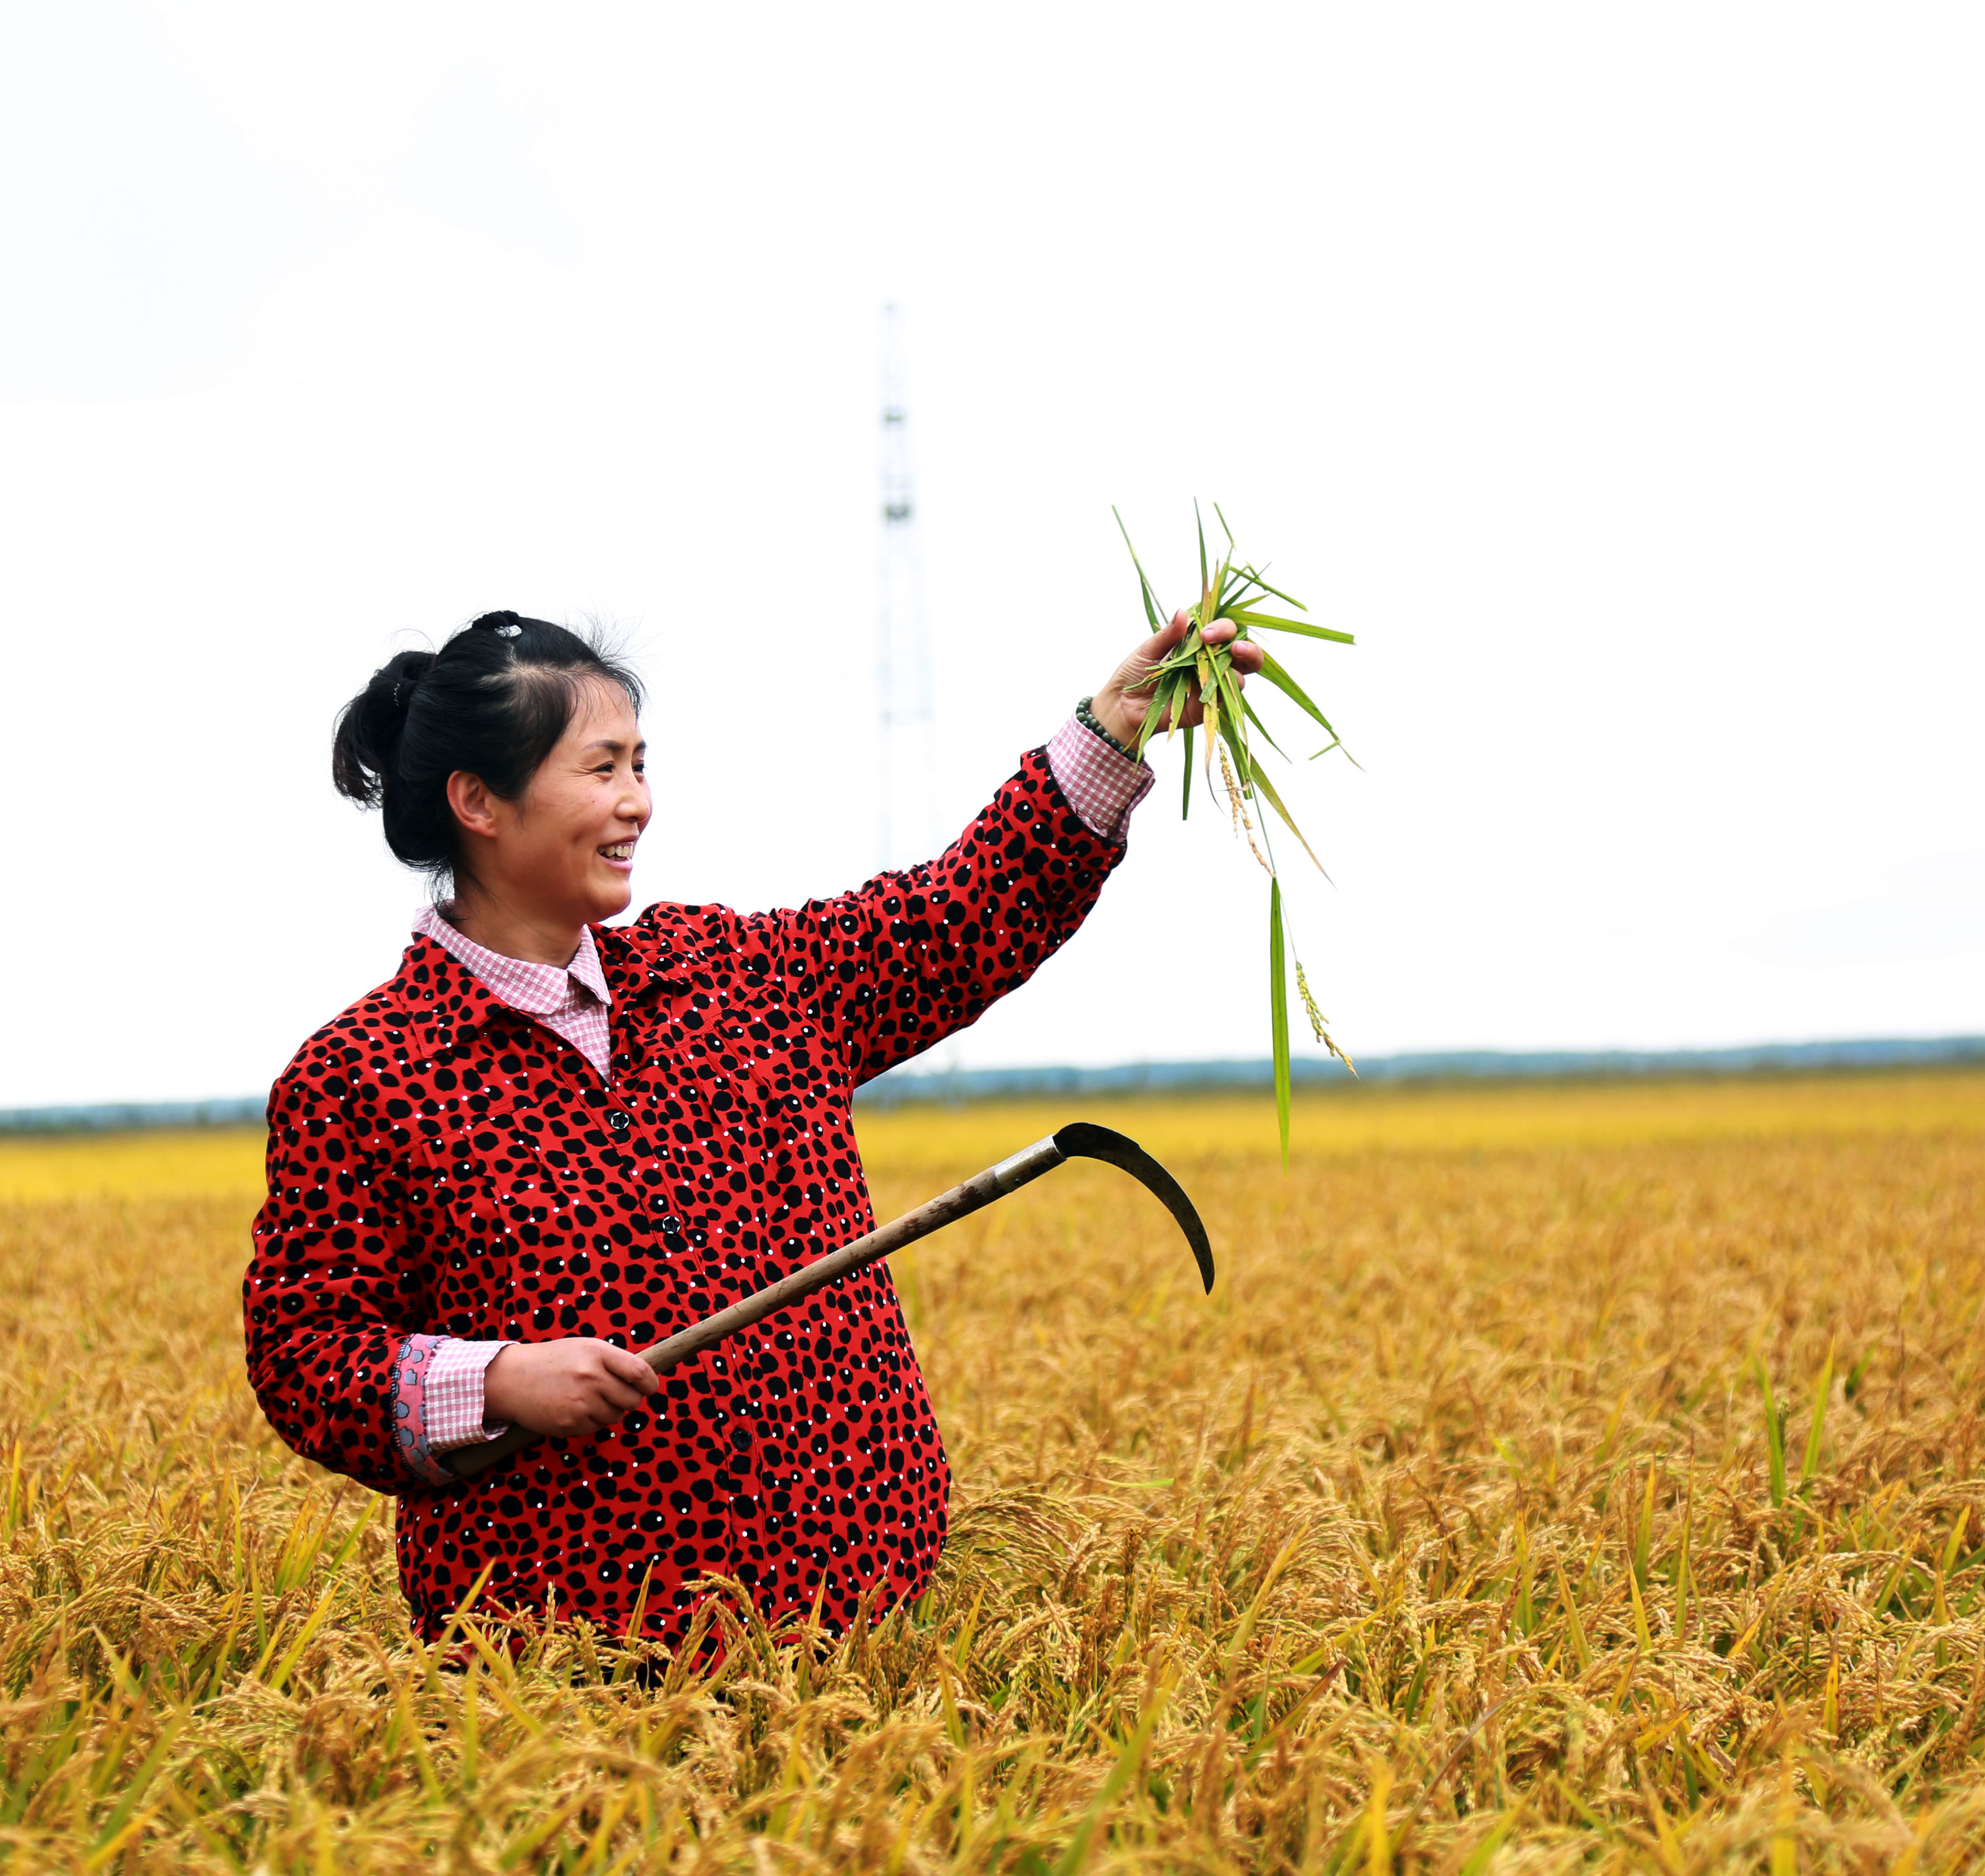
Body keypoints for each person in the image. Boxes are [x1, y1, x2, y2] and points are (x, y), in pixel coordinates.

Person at [243, 606, 1256, 1648]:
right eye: (601, 770)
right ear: (477, 802)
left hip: (870, 1618)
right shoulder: (365, 1076)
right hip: (578, 1657)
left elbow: (962, 911)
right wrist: (501, 1379)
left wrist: (1111, 728)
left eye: (640, 764)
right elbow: (306, 1357)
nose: (637, 801)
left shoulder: (735, 978)